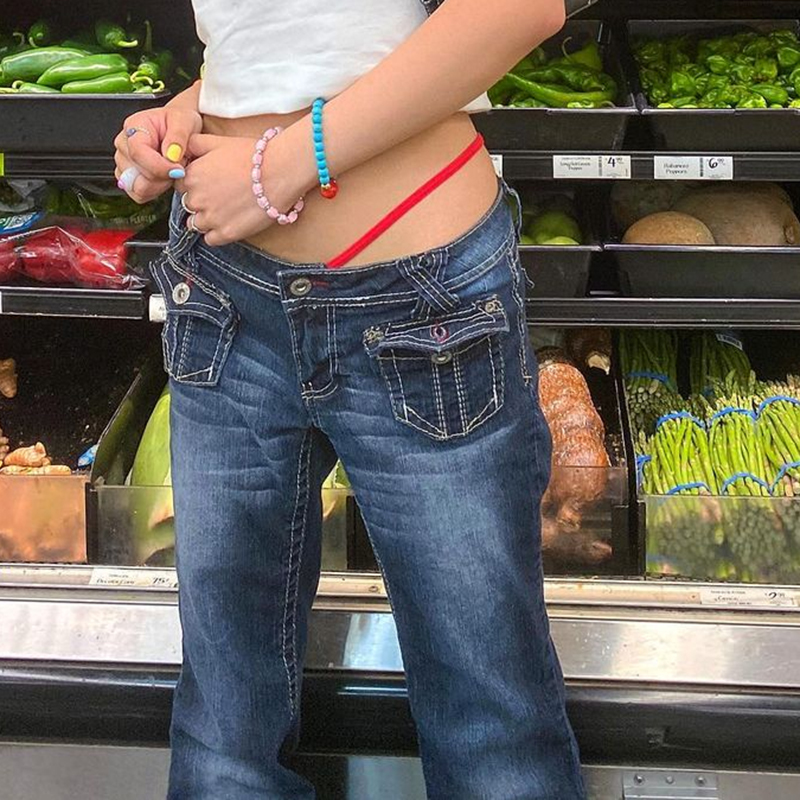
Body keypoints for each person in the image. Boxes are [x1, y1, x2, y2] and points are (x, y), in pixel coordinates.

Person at [113, 0, 586, 797]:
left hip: (420, 300)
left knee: (491, 729)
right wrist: (192, 109)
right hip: (224, 290)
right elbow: (304, 37)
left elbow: (517, 8)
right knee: (223, 731)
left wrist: (278, 168)